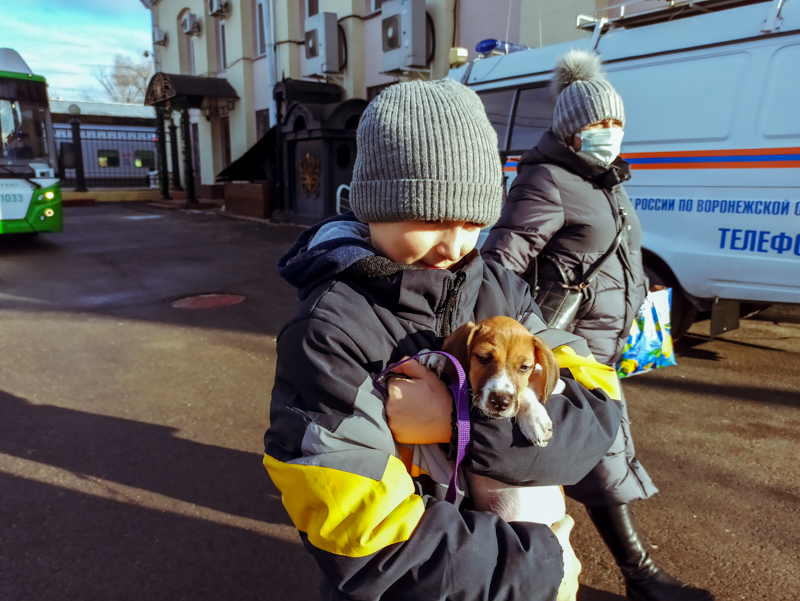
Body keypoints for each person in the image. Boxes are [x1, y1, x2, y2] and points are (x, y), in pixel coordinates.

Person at [263, 78, 626, 601]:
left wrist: (460, 427)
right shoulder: (329, 331)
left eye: (474, 220)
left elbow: (599, 418)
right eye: (431, 217)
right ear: (375, 204)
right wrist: (537, 568)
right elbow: (363, 535)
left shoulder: (500, 288)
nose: (454, 244)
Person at [481, 50, 714, 601]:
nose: (610, 132)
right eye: (597, 123)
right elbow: (502, 264)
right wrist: (531, 343)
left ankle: (518, 550)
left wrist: (641, 293)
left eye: (617, 123)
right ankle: (640, 577)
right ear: (569, 130)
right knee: (603, 453)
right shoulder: (548, 179)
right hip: (570, 351)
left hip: (606, 345)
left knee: (570, 453)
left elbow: (608, 255)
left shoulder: (606, 181)